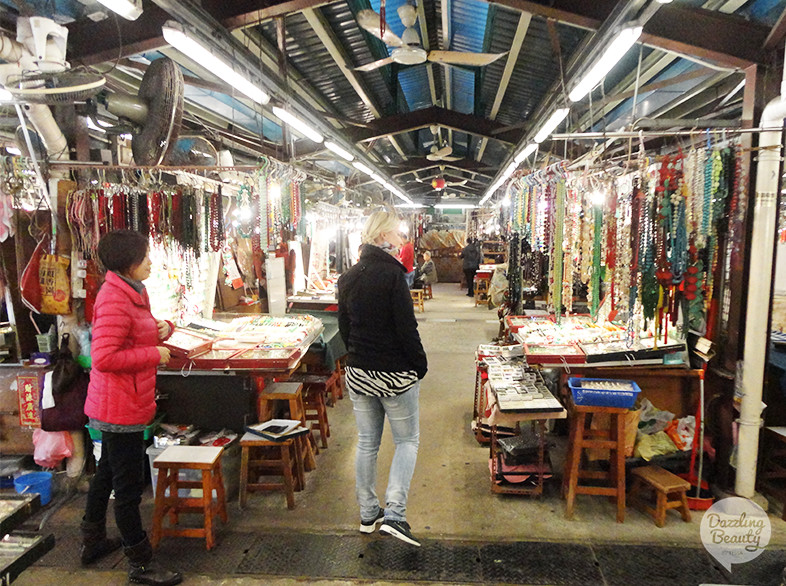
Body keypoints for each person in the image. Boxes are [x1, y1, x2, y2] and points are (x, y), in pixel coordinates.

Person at [81, 230, 182, 586]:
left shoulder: (133, 292)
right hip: (118, 405)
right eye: (146, 257)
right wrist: (155, 354)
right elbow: (105, 357)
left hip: (123, 400)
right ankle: (141, 564)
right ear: (129, 263)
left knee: (107, 470)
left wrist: (162, 330)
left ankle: (92, 541)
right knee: (127, 487)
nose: (151, 262)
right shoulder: (114, 298)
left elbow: (131, 336)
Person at [338, 210, 428, 547]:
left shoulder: (348, 277)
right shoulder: (393, 276)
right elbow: (407, 329)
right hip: (394, 373)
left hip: (360, 372)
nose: (402, 238)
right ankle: (395, 514)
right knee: (407, 441)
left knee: (367, 442)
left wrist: (358, 357)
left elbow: (345, 327)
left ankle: (367, 513)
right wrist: (419, 365)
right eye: (397, 232)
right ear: (382, 237)